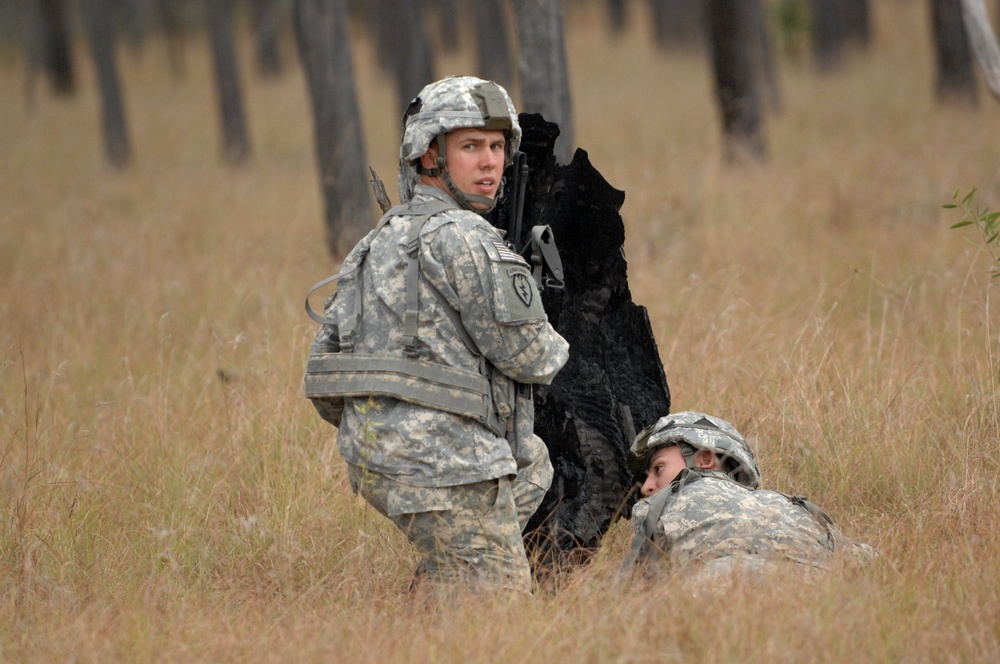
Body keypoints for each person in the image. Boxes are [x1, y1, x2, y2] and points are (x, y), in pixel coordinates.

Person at [305, 76, 569, 593]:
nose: (491, 162)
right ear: (429, 155)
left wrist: (384, 427)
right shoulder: (470, 238)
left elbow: (325, 369)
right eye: (470, 146)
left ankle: (445, 584)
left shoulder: (374, 240)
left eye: (496, 147)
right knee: (497, 623)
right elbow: (533, 359)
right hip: (445, 467)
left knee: (531, 465)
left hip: (371, 458)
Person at [619, 411, 876, 582]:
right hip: (815, 593)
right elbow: (866, 561)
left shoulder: (661, 503)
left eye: (658, 468)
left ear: (705, 459)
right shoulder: (790, 502)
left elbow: (639, 587)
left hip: (721, 590)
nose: (647, 487)